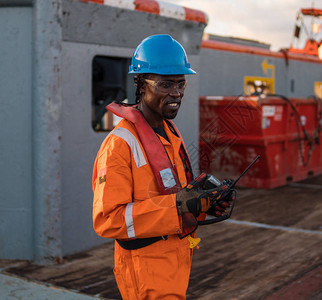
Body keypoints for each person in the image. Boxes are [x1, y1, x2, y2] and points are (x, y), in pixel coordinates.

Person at [92, 34, 234, 299]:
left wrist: (204, 204)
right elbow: (107, 220)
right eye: (166, 84)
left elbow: (173, 195)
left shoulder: (170, 133)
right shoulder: (119, 145)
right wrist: (180, 205)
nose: (176, 93)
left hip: (176, 260)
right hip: (146, 271)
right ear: (140, 84)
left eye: (181, 84)